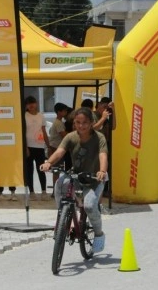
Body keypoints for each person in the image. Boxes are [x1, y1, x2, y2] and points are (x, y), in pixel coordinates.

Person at [40, 107, 108, 253]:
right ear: (74, 123)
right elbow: (59, 151)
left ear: (91, 123)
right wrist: (49, 163)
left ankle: (99, 234)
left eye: (84, 122)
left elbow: (103, 155)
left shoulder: (99, 138)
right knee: (60, 184)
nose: (81, 125)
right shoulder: (70, 137)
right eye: (78, 122)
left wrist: (102, 171)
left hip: (94, 179)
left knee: (89, 206)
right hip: (75, 175)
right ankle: (63, 217)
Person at [24, 96, 50, 199]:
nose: (31, 105)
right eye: (29, 103)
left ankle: (44, 191)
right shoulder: (24, 116)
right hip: (28, 146)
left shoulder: (41, 116)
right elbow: (23, 132)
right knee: (29, 170)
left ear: (36, 103)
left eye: (33, 103)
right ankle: (31, 192)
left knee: (41, 169)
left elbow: (44, 131)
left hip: (39, 146)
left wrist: (48, 145)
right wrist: (25, 147)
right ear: (26, 105)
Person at [48, 102, 72, 189]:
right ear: (59, 112)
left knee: (57, 169)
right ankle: (55, 190)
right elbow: (64, 135)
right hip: (55, 148)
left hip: (57, 147)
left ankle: (57, 188)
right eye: (64, 111)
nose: (66, 113)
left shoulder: (59, 122)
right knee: (56, 170)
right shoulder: (58, 123)